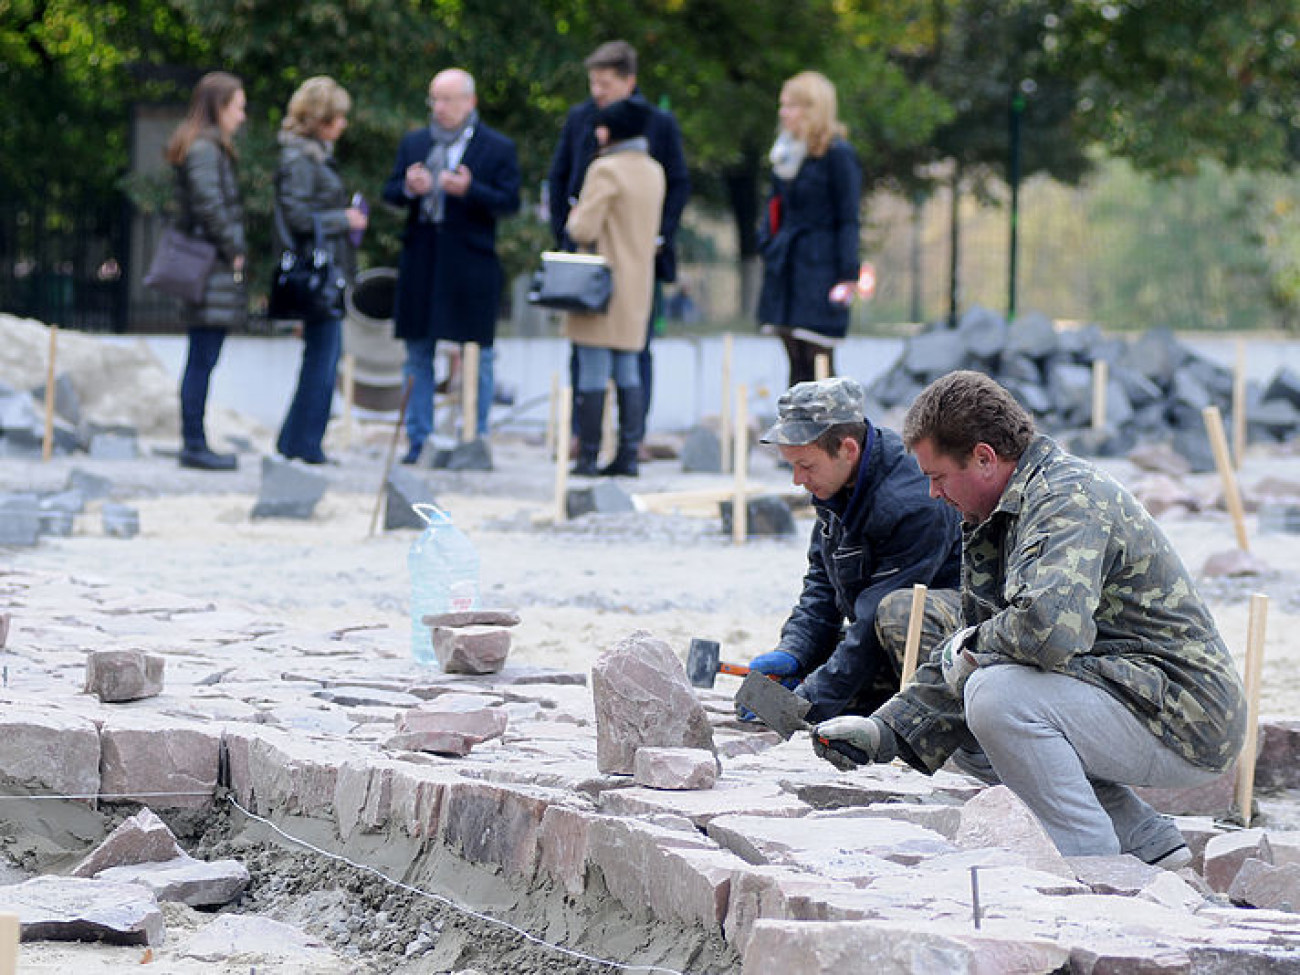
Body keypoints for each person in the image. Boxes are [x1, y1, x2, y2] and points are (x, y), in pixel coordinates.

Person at [814, 370, 1248, 864]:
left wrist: (971, 650)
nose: (934, 493)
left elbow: (1046, 632)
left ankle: (1091, 863)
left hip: (1189, 717)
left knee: (994, 698)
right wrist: (887, 731)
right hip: (1142, 699)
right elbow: (976, 644)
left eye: (938, 477)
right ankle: (1144, 842)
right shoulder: (1007, 510)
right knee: (968, 718)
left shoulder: (1067, 500)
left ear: (983, 458)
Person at [744, 377, 962, 722]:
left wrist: (805, 704)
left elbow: (875, 617)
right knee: (811, 673)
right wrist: (795, 651)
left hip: (956, 643)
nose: (797, 480)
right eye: (792, 466)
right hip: (881, 633)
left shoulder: (912, 501)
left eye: (806, 466)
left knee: (898, 612)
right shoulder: (836, 488)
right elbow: (822, 583)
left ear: (848, 449)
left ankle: (940, 721)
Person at [548, 39, 690, 435]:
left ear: (629, 81)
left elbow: (679, 183)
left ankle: (632, 436)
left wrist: (657, 236)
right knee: (585, 351)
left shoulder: (658, 123)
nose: (597, 92)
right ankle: (584, 434)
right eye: (593, 83)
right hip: (587, 255)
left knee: (636, 346)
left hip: (639, 253)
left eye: (605, 83)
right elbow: (560, 177)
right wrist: (567, 232)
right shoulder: (581, 118)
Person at [383, 68, 520, 464]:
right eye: (434, 99)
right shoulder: (415, 143)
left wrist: (470, 190)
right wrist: (410, 188)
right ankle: (418, 440)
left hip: (471, 263)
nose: (439, 108)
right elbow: (389, 192)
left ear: (469, 102)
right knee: (417, 352)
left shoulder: (497, 147)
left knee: (479, 352)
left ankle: (474, 438)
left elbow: (509, 202)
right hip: (422, 259)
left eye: (447, 99)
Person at [563, 98, 665, 477]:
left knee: (592, 370)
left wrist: (575, 215)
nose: (597, 132)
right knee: (627, 369)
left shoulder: (604, 169)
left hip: (599, 285)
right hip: (637, 284)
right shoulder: (654, 171)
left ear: (612, 130)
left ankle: (588, 455)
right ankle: (627, 454)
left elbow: (583, 228)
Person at [273, 76, 368, 465]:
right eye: (338, 116)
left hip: (325, 270)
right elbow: (297, 217)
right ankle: (306, 445)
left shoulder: (313, 155)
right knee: (323, 358)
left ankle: (294, 441)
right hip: (316, 274)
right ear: (320, 118)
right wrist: (344, 219)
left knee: (323, 356)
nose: (344, 124)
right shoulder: (299, 159)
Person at [756, 71, 862, 388]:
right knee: (795, 358)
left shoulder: (838, 155)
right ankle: (799, 436)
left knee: (819, 359)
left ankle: (833, 435)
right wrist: (767, 243)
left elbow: (848, 217)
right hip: (787, 266)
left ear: (811, 109)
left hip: (821, 268)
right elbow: (775, 207)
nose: (782, 112)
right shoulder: (786, 155)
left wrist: (847, 275)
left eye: (790, 106)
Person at [164, 71, 248, 471]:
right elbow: (209, 206)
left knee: (202, 358)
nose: (242, 116)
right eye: (238, 107)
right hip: (209, 266)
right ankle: (193, 444)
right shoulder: (204, 150)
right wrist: (233, 249)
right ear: (219, 106)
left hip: (209, 265)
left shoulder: (207, 147)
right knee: (202, 358)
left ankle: (195, 442)